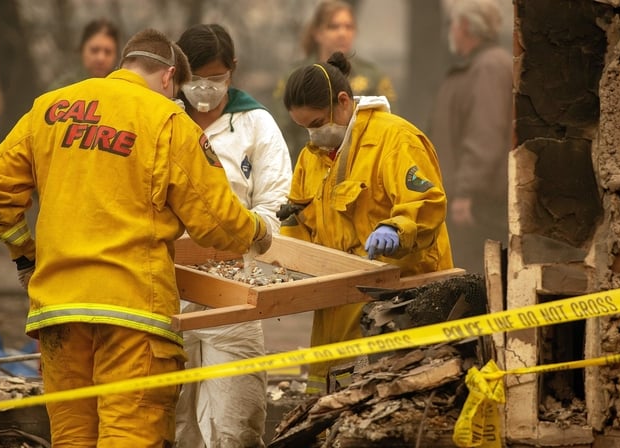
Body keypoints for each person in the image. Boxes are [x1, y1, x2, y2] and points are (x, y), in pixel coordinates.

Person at [0, 28, 272, 447]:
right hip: (133, 316)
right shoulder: (167, 120)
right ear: (169, 77)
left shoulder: (49, 108)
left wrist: (27, 256)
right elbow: (216, 224)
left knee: (73, 438)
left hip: (59, 311)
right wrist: (259, 229)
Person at [278, 52, 453, 394]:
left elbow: (428, 203)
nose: (312, 136)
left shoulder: (395, 140)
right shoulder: (311, 158)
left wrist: (397, 228)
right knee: (330, 401)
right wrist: (286, 262)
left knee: (388, 401)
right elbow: (298, 219)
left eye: (315, 124)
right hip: (336, 305)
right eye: (304, 129)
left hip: (398, 302)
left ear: (343, 102)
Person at [175, 24, 292, 448]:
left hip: (234, 284)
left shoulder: (255, 123)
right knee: (168, 417)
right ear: (177, 71)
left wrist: (249, 236)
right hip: (166, 285)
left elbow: (275, 203)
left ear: (233, 71)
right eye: (195, 78)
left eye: (216, 77)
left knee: (238, 419)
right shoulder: (160, 118)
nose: (204, 89)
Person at [429, 0, 513, 275]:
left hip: (480, 205)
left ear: (464, 26)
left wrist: (467, 191)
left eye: (452, 24)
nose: (450, 32)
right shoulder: (478, 65)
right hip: (472, 200)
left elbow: (485, 134)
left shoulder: (489, 66)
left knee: (478, 275)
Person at [272, 0, 397, 166]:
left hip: (362, 166)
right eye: (334, 27)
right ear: (317, 32)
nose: (342, 33)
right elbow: (282, 131)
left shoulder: (373, 75)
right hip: (309, 165)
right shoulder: (295, 77)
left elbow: (389, 124)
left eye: (348, 27)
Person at [50, 18, 120, 89]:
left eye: (108, 52)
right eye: (94, 50)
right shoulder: (62, 89)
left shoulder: (122, 88)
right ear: (82, 50)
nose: (101, 58)